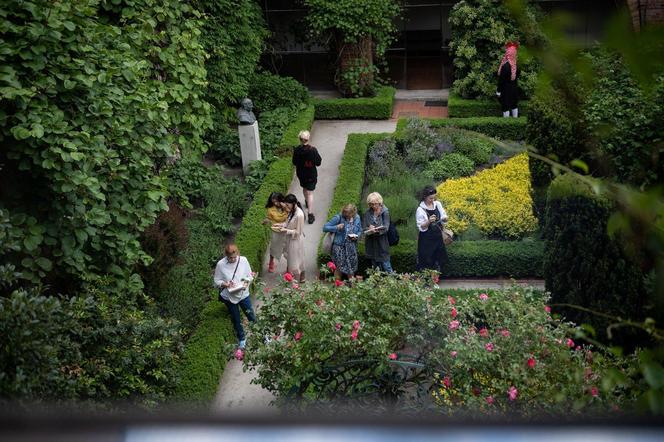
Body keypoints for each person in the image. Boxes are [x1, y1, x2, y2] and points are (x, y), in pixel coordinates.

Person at [213, 244, 256, 350]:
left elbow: (249, 275)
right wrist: (225, 284)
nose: (232, 260)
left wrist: (246, 284)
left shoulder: (243, 260)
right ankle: (242, 339)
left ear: (238, 254)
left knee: (251, 316)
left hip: (243, 294)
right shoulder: (220, 264)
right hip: (230, 296)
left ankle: (262, 335)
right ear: (226, 256)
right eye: (230, 258)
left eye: (234, 257)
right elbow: (216, 281)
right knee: (236, 319)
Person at [323, 203, 362, 280]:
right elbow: (325, 227)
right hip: (339, 247)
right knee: (339, 268)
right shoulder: (338, 217)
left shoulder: (357, 217)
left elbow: (360, 230)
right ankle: (337, 287)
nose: (347, 215)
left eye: (349, 214)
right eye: (346, 213)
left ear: (353, 212)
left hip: (351, 247)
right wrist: (336, 227)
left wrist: (357, 236)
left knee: (350, 268)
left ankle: (352, 288)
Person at [415, 186, 449, 273]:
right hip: (426, 239)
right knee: (426, 260)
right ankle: (427, 281)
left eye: (434, 197)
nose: (432, 200)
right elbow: (421, 227)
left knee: (438, 259)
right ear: (425, 197)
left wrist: (444, 218)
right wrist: (429, 221)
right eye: (430, 198)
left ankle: (435, 279)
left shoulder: (437, 204)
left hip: (437, 237)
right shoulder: (420, 209)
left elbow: (443, 215)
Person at [292, 130, 322, 224]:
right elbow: (318, 163)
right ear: (308, 139)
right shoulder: (312, 150)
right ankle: (310, 213)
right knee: (310, 193)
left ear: (300, 139)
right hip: (310, 174)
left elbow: (294, 162)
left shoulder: (297, 150)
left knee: (305, 189)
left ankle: (306, 201)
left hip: (301, 174)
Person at [362, 192, 393, 273]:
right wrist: (369, 228)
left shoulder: (385, 212)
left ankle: (393, 283)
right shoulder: (367, 213)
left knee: (387, 267)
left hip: (382, 243)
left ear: (380, 202)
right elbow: (364, 228)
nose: (374, 206)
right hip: (371, 243)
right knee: (375, 269)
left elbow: (386, 227)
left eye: (376, 204)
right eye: (371, 204)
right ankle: (377, 284)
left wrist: (376, 230)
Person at [279, 193, 306, 282]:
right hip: (291, 239)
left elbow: (298, 232)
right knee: (296, 259)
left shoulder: (299, 215)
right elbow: (287, 222)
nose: (286, 206)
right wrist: (279, 225)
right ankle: (302, 278)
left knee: (294, 262)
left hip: (296, 241)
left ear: (293, 203)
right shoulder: (292, 211)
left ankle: (296, 283)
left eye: (287, 204)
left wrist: (286, 231)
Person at [262, 192, 287, 273]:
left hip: (287, 229)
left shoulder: (287, 205)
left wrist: (286, 207)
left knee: (288, 249)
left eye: (276, 201)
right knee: (274, 248)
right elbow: (269, 218)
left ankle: (289, 266)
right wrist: (267, 220)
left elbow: (292, 214)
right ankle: (271, 262)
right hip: (276, 231)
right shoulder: (270, 209)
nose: (275, 203)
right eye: (273, 202)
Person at [496, 41, 519, 118]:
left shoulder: (505, 66)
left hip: (505, 90)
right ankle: (516, 121)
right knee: (514, 105)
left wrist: (498, 91)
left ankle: (506, 123)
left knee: (505, 107)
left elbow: (501, 80)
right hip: (514, 89)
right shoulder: (516, 66)